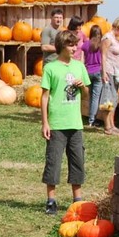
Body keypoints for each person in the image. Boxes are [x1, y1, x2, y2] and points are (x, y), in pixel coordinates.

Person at [41, 30, 89, 215]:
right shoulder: (50, 68)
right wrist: (45, 123)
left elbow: (86, 95)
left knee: (77, 161)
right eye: (71, 45)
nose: (74, 48)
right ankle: (51, 200)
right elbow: (45, 97)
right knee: (53, 161)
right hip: (57, 124)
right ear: (62, 46)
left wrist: (82, 87)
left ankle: (77, 200)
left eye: (76, 45)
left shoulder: (79, 66)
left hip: (75, 124)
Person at [100, 20, 119, 136]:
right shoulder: (107, 38)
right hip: (109, 71)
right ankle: (107, 126)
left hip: (117, 73)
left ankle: (112, 124)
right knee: (107, 99)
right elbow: (103, 55)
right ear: (118, 27)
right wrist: (104, 72)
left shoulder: (116, 39)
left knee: (113, 99)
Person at [78, 21, 103, 129]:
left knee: (89, 96)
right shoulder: (101, 44)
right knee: (96, 97)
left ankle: (87, 117)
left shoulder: (86, 44)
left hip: (88, 72)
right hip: (98, 72)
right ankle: (92, 120)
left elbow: (82, 59)